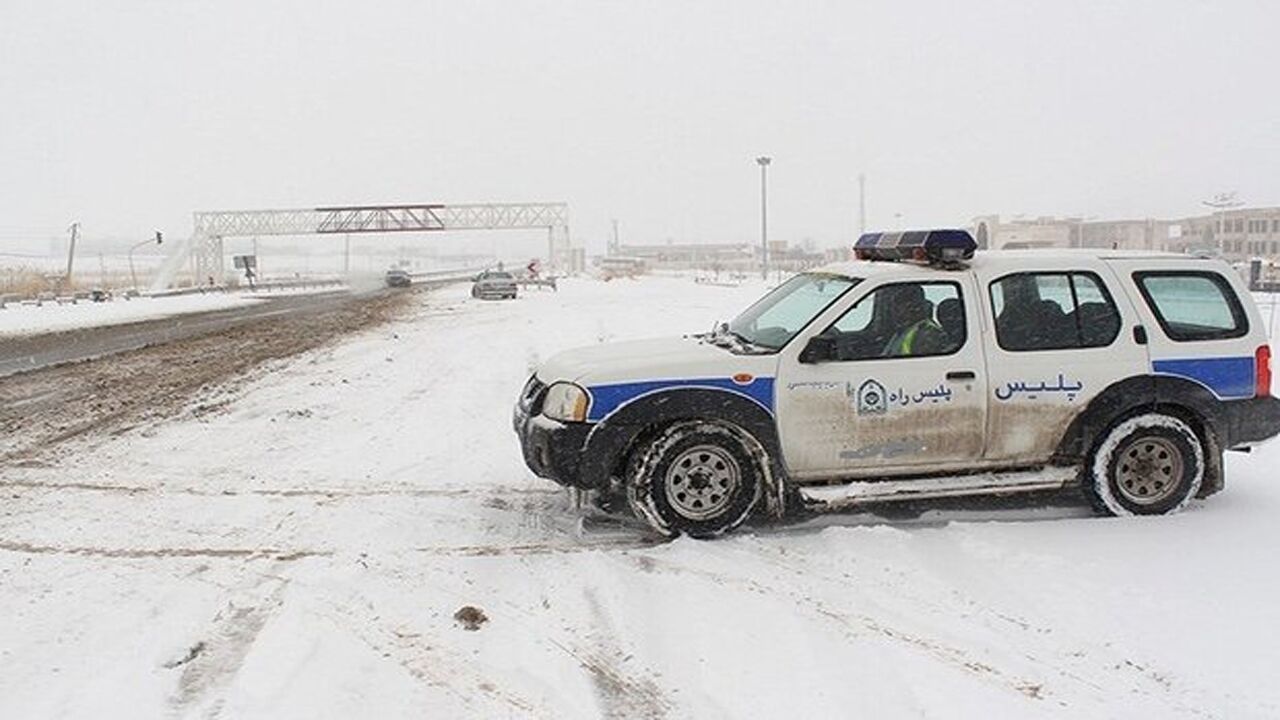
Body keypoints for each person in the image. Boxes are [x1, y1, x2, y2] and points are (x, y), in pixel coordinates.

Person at [882, 285, 945, 357]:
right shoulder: (902, 330)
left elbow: (923, 365)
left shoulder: (928, 334)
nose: (893, 310)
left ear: (913, 307)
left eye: (898, 305)